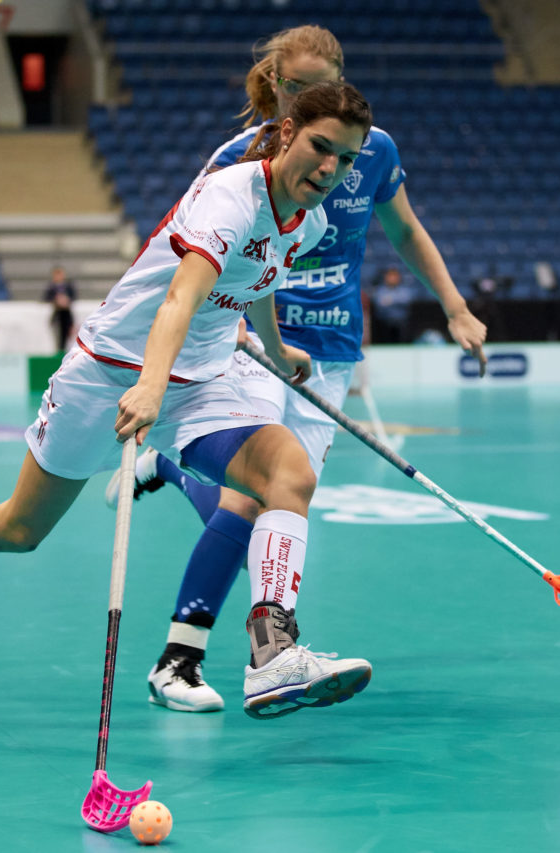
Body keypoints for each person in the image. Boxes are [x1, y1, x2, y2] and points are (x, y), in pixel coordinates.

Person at [0, 81, 380, 720]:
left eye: (346, 158)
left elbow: (256, 282)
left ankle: (272, 654)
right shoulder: (232, 196)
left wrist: (277, 349)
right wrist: (149, 385)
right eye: (322, 147)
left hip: (202, 384)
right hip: (112, 372)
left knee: (289, 474)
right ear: (288, 132)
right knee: (18, 529)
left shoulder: (309, 222)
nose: (330, 168)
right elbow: (180, 296)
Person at [107, 25, 487, 714]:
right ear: (276, 89)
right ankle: (201, 658)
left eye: (324, 84)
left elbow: (405, 229)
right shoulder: (238, 159)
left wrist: (455, 308)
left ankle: (174, 475)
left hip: (330, 350)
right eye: (296, 87)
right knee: (258, 496)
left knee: (277, 499)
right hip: (255, 341)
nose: (308, 96)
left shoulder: (372, 151)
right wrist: (214, 329)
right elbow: (191, 254)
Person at [368, 266, 415, 343]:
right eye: (390, 276)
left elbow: (406, 300)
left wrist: (391, 300)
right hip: (384, 323)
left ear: (398, 277)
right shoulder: (380, 290)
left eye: (394, 276)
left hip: (400, 323)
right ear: (385, 277)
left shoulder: (404, 289)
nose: (392, 278)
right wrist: (394, 301)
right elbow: (379, 303)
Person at [43, 265, 77, 352]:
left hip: (67, 315)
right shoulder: (50, 287)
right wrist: (56, 300)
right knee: (57, 338)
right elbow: (45, 298)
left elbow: (73, 297)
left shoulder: (68, 286)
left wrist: (66, 300)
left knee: (67, 338)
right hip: (57, 316)